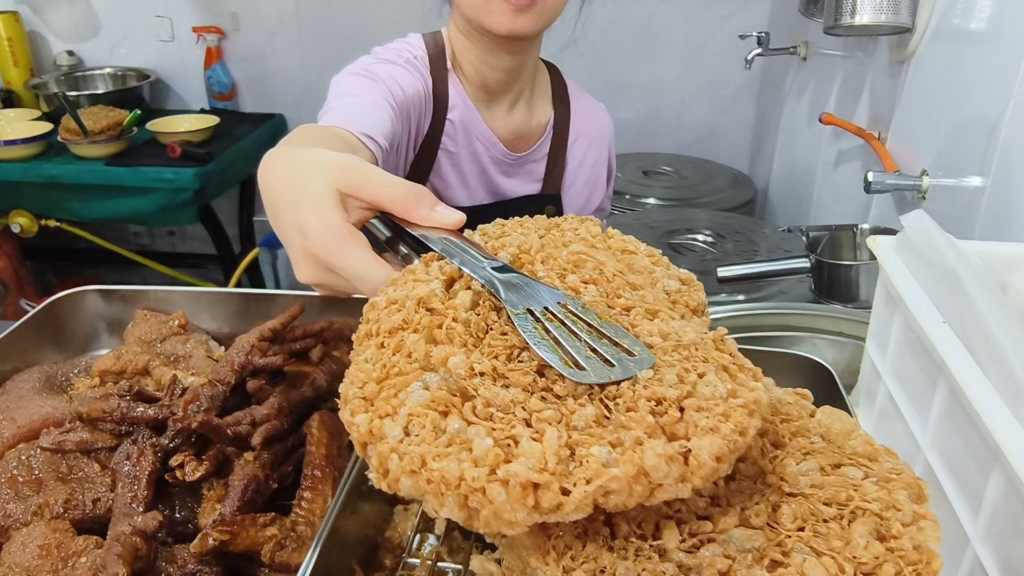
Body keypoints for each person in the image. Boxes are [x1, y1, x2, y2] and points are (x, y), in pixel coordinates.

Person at [257, 0, 615, 297]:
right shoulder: (394, 82)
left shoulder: (590, 129)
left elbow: (583, 282)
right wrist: (296, 164)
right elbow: (338, 139)